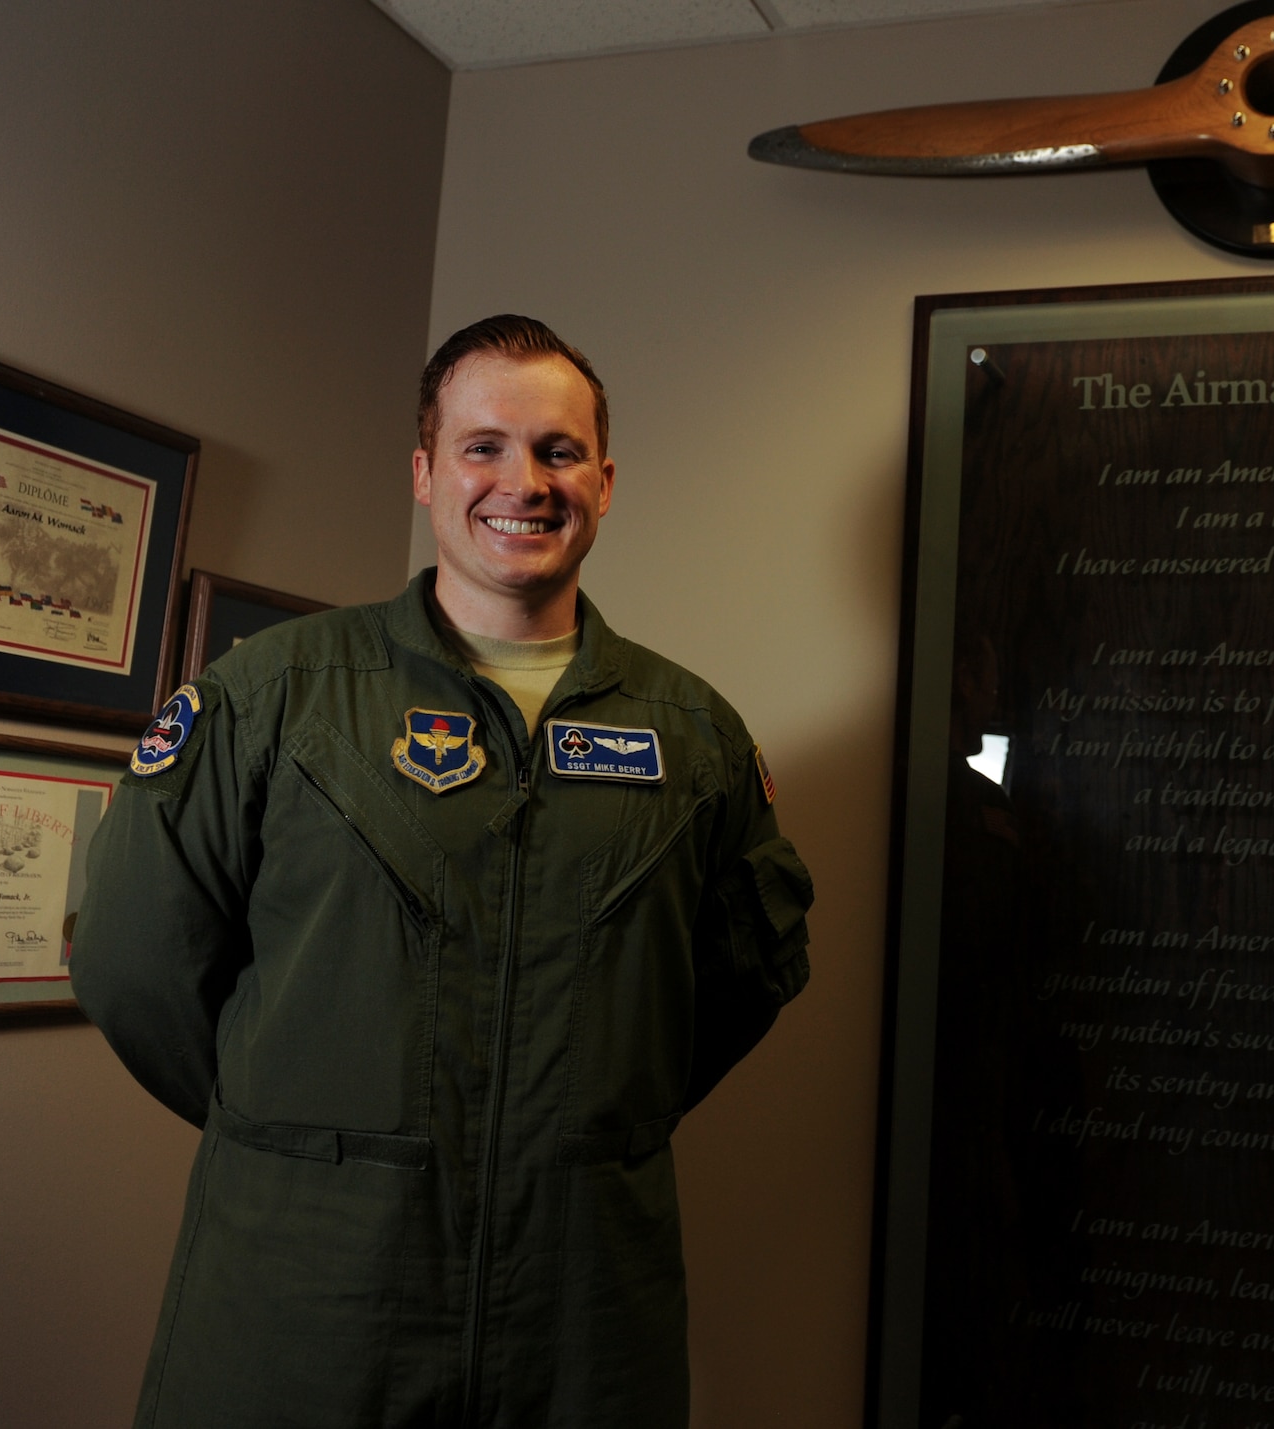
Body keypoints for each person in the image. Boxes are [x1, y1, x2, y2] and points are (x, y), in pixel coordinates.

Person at [71, 314, 813, 1428]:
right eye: (483, 446)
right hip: (307, 1305)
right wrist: (303, 1133)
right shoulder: (275, 695)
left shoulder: (692, 735)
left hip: (581, 1318)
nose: (523, 480)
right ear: (425, 473)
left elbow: (738, 980)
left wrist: (562, 1128)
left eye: (558, 451)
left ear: (604, 482)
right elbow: (136, 966)